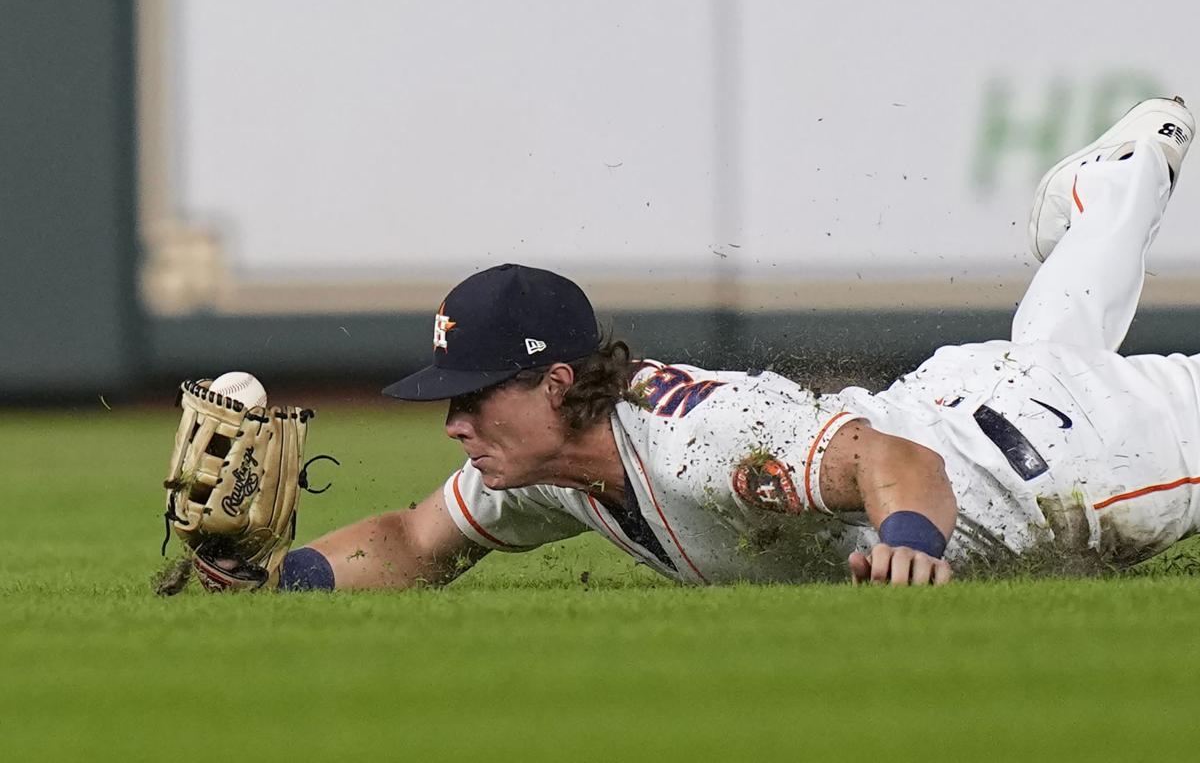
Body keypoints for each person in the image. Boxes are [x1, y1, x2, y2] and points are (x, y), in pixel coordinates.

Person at [276, 96, 1197, 590]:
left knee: (1066, 373)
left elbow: (896, 458)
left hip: (1058, 464)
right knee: (1045, 352)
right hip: (967, 393)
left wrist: (912, 542)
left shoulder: (703, 439)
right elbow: (412, 537)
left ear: (555, 384)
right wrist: (277, 579)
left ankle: (1123, 184)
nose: (454, 425)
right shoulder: (547, 469)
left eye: (473, 397)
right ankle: (1124, 181)